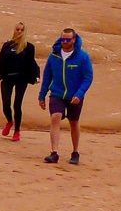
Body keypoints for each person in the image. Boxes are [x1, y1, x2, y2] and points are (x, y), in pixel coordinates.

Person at [38, 27, 93, 165]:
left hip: (75, 95)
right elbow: (47, 76)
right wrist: (42, 95)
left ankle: (75, 152)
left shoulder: (82, 56)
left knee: (73, 122)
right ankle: (54, 152)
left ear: (74, 40)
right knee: (55, 117)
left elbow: (88, 77)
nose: (64, 42)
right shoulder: (54, 56)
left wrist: (80, 93)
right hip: (56, 93)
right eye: (63, 39)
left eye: (68, 39)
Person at [0, 21, 39, 142]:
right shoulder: (7, 45)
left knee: (17, 105)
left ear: (25, 32)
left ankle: (17, 131)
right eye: (18, 29)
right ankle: (10, 121)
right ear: (14, 30)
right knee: (6, 104)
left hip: (22, 79)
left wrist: (36, 76)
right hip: (7, 78)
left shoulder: (29, 47)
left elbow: (32, 63)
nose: (19, 32)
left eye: (22, 30)